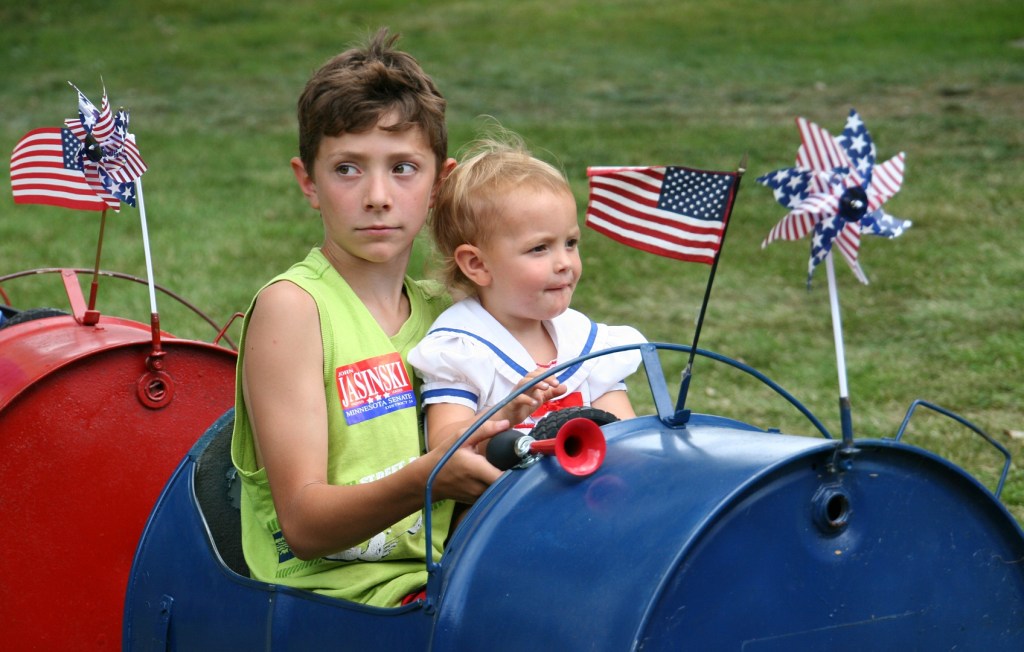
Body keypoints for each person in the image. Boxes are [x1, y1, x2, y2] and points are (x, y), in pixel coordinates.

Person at [230, 28, 510, 608]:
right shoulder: (295, 309)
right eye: (348, 169)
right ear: (308, 182)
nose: (378, 195)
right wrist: (432, 477)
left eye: (404, 168)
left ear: (440, 183)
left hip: (445, 579)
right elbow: (305, 526)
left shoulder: (452, 313)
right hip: (331, 605)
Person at [408, 132, 646, 449]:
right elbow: (444, 449)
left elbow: (624, 435)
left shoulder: (584, 339)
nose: (564, 262)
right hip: (505, 498)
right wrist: (504, 413)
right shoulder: (461, 347)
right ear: (477, 264)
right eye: (539, 248)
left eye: (570, 243)